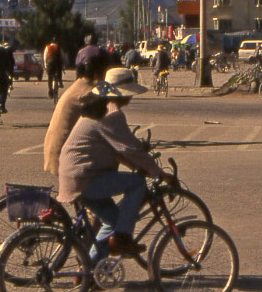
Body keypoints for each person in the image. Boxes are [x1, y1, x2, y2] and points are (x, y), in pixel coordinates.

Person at [58, 68, 176, 259]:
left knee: (112, 220)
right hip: (85, 177)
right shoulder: (112, 115)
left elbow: (119, 148)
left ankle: (88, 272)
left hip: (74, 176)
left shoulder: (98, 108)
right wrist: (159, 173)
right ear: (123, 95)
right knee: (137, 184)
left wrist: (139, 166)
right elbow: (128, 149)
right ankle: (122, 238)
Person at [43, 50, 110, 179]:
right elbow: (106, 125)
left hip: (56, 153)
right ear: (99, 72)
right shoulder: (88, 94)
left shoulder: (78, 86)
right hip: (67, 161)